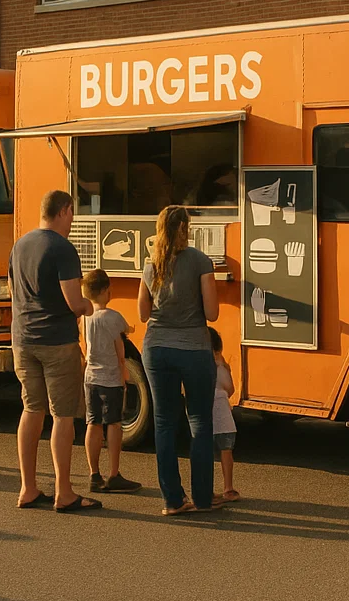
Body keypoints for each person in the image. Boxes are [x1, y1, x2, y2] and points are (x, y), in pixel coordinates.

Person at [10, 190, 99, 512]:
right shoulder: (62, 248)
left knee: (32, 410)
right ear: (64, 211)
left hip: (23, 339)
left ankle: (28, 487)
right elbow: (74, 302)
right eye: (72, 214)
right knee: (63, 416)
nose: (73, 221)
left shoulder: (20, 245)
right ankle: (64, 491)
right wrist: (89, 306)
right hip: (56, 341)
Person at [138, 205, 219, 516]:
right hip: (194, 349)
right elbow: (212, 313)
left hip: (156, 349)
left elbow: (143, 313)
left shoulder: (150, 266)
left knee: (164, 423)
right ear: (186, 227)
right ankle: (202, 499)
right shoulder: (200, 261)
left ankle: (172, 500)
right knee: (199, 421)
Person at [80, 269, 140, 494]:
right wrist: (124, 374)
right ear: (105, 291)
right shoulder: (113, 317)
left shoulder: (85, 318)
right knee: (114, 423)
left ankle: (94, 474)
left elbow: (86, 348)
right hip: (111, 378)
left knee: (93, 423)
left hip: (91, 379)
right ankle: (114, 473)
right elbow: (120, 350)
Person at [210, 327, 239, 503]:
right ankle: (228, 488)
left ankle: (207, 488)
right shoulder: (222, 366)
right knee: (226, 451)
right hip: (222, 412)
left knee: (205, 452)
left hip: (202, 412)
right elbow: (230, 389)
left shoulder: (196, 364)